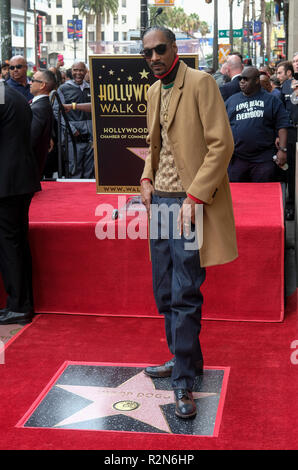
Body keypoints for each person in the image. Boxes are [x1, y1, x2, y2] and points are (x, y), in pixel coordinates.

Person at [140, 26, 238, 419]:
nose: (154, 58)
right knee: (164, 290)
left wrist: (194, 196)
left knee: (184, 292)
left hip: (189, 204)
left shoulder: (200, 83)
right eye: (146, 53)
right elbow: (156, 145)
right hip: (160, 203)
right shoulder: (153, 91)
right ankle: (183, 362)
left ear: (175, 48)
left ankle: (183, 380)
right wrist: (146, 177)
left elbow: (221, 144)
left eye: (159, 50)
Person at [0, 81, 41, 325]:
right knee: (16, 243)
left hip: (7, 184)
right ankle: (20, 303)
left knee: (9, 245)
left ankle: (18, 305)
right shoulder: (13, 94)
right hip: (19, 180)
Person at [225, 67, 290, 183]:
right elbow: (222, 126)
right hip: (238, 159)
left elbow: (283, 125)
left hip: (263, 159)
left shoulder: (271, 100)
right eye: (240, 79)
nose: (242, 82)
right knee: (237, 196)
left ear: (256, 80)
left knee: (264, 195)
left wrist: (283, 150)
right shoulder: (231, 101)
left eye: (246, 79)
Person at [53, 61, 94, 178]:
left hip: (90, 137)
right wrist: (70, 128)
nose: (78, 73)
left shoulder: (91, 88)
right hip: (72, 137)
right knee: (74, 169)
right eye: (75, 70)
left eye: (81, 70)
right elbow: (57, 111)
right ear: (71, 71)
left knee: (90, 171)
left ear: (86, 72)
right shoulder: (63, 89)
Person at [279, 53, 298, 220]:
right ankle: (290, 205)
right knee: (291, 172)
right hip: (292, 133)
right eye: (294, 61)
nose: (296, 63)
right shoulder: (286, 86)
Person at [30, 69, 57, 179]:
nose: (30, 83)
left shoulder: (39, 108)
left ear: (42, 85)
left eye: (33, 80)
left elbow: (31, 139)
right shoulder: (40, 105)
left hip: (32, 166)